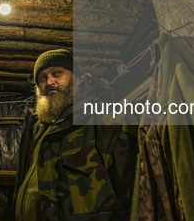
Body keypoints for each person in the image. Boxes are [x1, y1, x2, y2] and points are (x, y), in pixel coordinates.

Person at [14, 49, 138, 220]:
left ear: (78, 80)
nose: (50, 82)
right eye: (43, 78)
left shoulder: (105, 120)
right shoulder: (35, 131)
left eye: (57, 73)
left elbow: (134, 193)